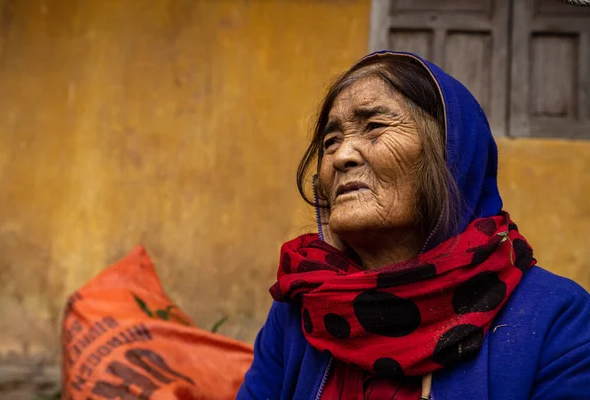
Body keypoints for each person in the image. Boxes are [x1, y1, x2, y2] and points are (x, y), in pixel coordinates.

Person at [236, 51, 590, 399]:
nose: (341, 156)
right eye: (331, 142)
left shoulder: (556, 319)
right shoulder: (304, 306)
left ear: (452, 155)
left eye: (374, 127)